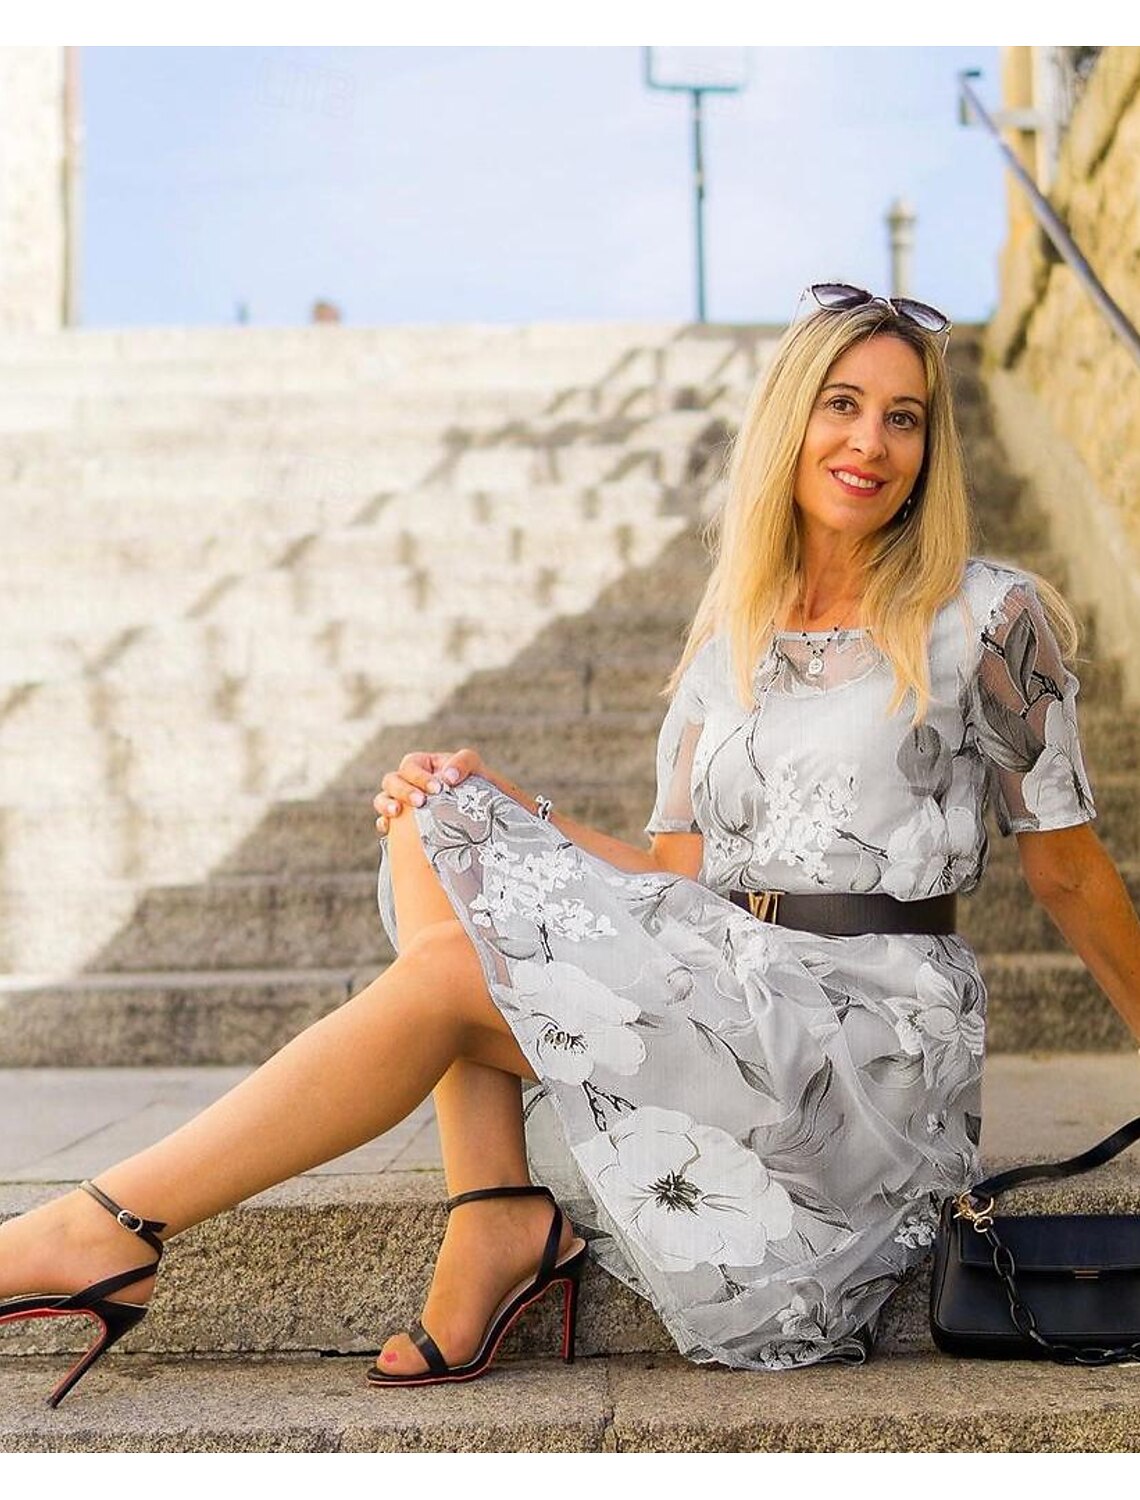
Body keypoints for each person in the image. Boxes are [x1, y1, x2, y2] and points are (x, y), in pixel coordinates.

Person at [4, 285, 1139, 1402]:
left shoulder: (987, 616)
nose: (871, 442)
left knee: (452, 970)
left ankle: (113, 1223)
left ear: (932, 450)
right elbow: (678, 876)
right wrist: (509, 800)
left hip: (868, 1041)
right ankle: (494, 1213)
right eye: (841, 404)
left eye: (904, 417)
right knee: (435, 812)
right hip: (729, 979)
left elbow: (1069, 873)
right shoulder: (731, 640)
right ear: (788, 422)